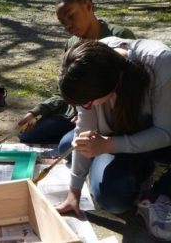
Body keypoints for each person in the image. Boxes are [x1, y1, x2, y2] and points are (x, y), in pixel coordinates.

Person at [55, 38, 171, 222]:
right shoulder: (88, 71)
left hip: (160, 138)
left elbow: (165, 133)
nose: (85, 107)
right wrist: (74, 191)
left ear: (112, 85)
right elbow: (84, 129)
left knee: (113, 200)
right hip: (120, 136)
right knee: (66, 148)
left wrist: (108, 145)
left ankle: (146, 173)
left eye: (88, 103)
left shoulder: (160, 62)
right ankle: (120, 167)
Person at [18, 0, 135, 145]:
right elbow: (64, 91)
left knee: (67, 146)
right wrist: (37, 111)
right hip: (73, 113)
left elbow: (129, 88)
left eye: (71, 16)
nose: (68, 26)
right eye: (62, 22)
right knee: (26, 135)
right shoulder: (71, 44)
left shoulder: (119, 36)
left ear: (88, 6)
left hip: (108, 116)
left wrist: (89, 113)